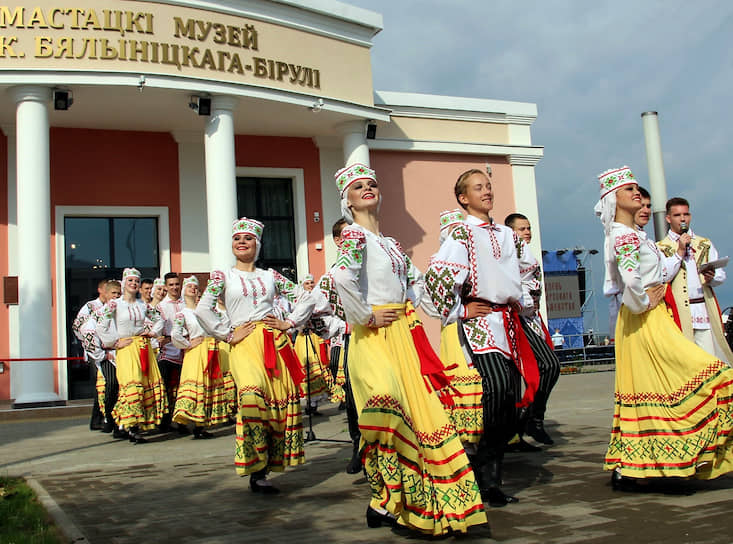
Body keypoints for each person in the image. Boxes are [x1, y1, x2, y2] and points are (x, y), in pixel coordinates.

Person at [331, 163, 487, 536]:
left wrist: (456, 311)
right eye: (358, 187)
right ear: (347, 202)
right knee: (386, 408)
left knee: (420, 417)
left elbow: (417, 289)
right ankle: (387, 496)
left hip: (403, 334)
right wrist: (366, 316)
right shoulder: (353, 236)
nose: (368, 189)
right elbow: (339, 277)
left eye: (372, 184)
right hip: (373, 338)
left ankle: (393, 504)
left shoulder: (392, 245)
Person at [593, 166, 733, 488]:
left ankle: (644, 467)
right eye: (629, 191)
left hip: (649, 317)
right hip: (645, 319)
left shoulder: (636, 235)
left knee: (659, 390)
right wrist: (646, 301)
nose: (637, 195)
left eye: (637, 191)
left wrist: (674, 262)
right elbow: (630, 281)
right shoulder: (622, 234)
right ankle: (660, 466)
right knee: (700, 377)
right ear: (614, 199)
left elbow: (655, 272)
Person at [426, 168, 539, 507]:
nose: (487, 191)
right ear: (464, 198)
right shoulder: (460, 233)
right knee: (497, 389)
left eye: (488, 186)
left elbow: (527, 269)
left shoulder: (508, 234)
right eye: (478, 187)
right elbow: (438, 279)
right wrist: (461, 310)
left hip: (508, 320)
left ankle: (488, 472)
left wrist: (523, 304)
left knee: (508, 400)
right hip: (482, 322)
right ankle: (485, 477)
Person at [196, 218, 316, 493]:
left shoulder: (269, 276)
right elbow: (203, 309)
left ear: (257, 245)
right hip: (244, 342)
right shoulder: (222, 276)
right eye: (237, 238)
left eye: (247, 238)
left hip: (273, 342)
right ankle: (254, 461)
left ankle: (261, 472)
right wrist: (227, 334)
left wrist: (290, 323)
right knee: (251, 397)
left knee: (275, 403)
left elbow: (306, 297)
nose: (241, 242)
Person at [505, 212, 561, 446]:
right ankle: (528, 421)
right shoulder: (508, 255)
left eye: (528, 228)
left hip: (532, 318)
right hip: (516, 318)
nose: (527, 232)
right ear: (511, 232)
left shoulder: (527, 254)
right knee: (547, 365)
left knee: (543, 368)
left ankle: (528, 421)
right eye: (521, 229)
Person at [657, 197, 733, 364]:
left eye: (686, 214)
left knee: (709, 358)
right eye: (677, 215)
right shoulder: (661, 247)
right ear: (668, 219)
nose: (682, 219)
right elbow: (663, 276)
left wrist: (712, 277)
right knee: (686, 360)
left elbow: (721, 275)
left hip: (703, 307)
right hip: (677, 310)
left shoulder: (703, 243)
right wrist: (680, 250)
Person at [96, 268, 168, 443]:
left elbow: (159, 319)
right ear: (124, 283)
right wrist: (114, 342)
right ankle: (128, 425)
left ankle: (135, 426)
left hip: (142, 347)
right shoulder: (115, 304)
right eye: (130, 281)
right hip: (126, 348)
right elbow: (101, 325)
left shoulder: (142, 305)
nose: (134, 284)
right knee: (131, 384)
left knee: (144, 384)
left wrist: (152, 332)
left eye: (136, 281)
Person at [432, 209, 484, 448]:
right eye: (452, 232)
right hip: (454, 330)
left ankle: (486, 436)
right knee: (461, 380)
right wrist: (459, 311)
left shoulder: (477, 260)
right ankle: (464, 439)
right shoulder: (439, 264)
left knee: (482, 378)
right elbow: (432, 305)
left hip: (479, 325)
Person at [318, 218, 361, 474]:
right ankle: (359, 444)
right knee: (355, 398)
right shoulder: (332, 276)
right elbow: (318, 314)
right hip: (350, 341)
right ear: (337, 240)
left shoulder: (370, 267)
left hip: (382, 338)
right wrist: (345, 326)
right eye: (347, 235)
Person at [171, 276, 230, 438]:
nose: (193, 289)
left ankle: (200, 425)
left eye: (195, 287)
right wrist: (188, 344)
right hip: (196, 353)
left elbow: (220, 326)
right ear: (184, 291)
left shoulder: (204, 312)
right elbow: (175, 334)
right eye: (189, 286)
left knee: (208, 384)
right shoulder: (182, 314)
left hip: (211, 350)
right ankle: (187, 419)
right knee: (196, 383)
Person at [71, 278, 112, 431]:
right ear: (101, 290)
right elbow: (78, 326)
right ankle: (98, 418)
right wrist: (89, 344)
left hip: (111, 351)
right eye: (109, 290)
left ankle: (103, 417)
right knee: (100, 386)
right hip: (96, 353)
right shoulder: (91, 306)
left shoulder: (113, 306)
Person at [157, 272, 187, 433]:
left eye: (177, 284)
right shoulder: (161, 307)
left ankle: (182, 421)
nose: (175, 287)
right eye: (171, 285)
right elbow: (157, 333)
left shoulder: (186, 304)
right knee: (166, 388)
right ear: (166, 286)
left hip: (185, 352)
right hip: (167, 353)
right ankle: (164, 421)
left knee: (184, 389)